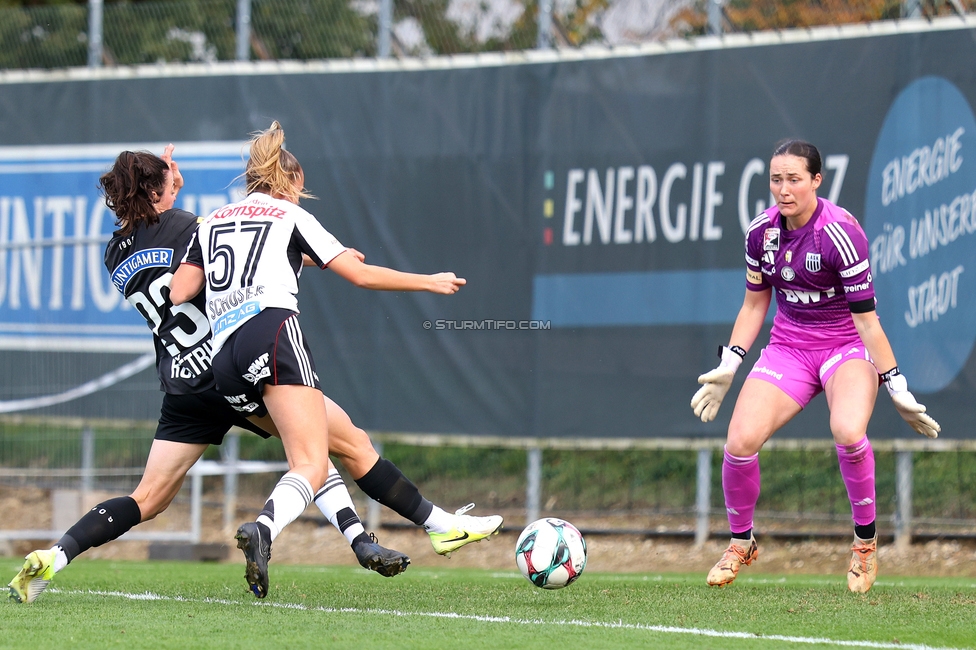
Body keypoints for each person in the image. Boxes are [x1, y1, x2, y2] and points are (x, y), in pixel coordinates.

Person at [7, 144, 501, 604]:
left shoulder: (114, 252)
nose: (177, 186)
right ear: (157, 191)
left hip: (183, 380)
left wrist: (165, 185)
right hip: (235, 357)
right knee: (337, 445)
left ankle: (56, 555)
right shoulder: (188, 224)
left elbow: (180, 276)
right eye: (169, 183)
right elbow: (241, 246)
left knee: (150, 497)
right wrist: (311, 253)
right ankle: (417, 527)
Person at [169, 121, 500, 599]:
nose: (300, 196)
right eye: (300, 188)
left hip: (225, 359)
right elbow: (360, 275)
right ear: (289, 182)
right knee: (308, 462)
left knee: (348, 442)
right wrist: (428, 281)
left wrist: (285, 261)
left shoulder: (212, 221)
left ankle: (435, 525)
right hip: (273, 335)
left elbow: (180, 291)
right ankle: (263, 528)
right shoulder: (290, 215)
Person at [690, 139, 940, 594]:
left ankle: (865, 544)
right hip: (789, 347)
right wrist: (730, 363)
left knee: (847, 430)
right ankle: (741, 543)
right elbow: (754, 305)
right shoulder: (760, 233)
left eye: (794, 179)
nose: (783, 189)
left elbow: (867, 322)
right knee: (739, 441)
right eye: (776, 179)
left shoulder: (841, 233)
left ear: (817, 181)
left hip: (846, 345)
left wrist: (896, 384)